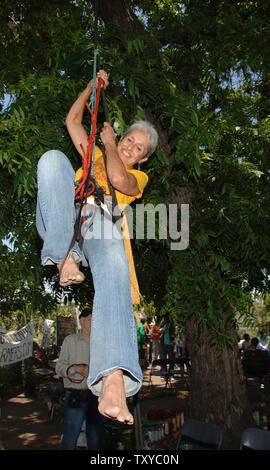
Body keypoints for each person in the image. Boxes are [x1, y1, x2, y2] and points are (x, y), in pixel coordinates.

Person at [36, 69, 158, 425]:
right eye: (128, 140)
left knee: (116, 268)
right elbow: (72, 120)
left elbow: (119, 179)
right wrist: (93, 86)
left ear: (143, 158)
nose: (129, 146)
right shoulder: (91, 153)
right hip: (62, 216)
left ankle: (114, 375)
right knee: (53, 160)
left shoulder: (137, 176)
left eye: (137, 148)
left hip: (99, 224)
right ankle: (64, 257)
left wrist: (108, 145)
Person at [55, 308, 104, 450]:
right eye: (90, 319)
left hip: (96, 396)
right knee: (70, 437)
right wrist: (77, 368)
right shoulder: (70, 341)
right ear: (82, 322)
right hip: (75, 395)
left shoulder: (100, 343)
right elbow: (59, 368)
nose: (93, 322)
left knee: (95, 438)